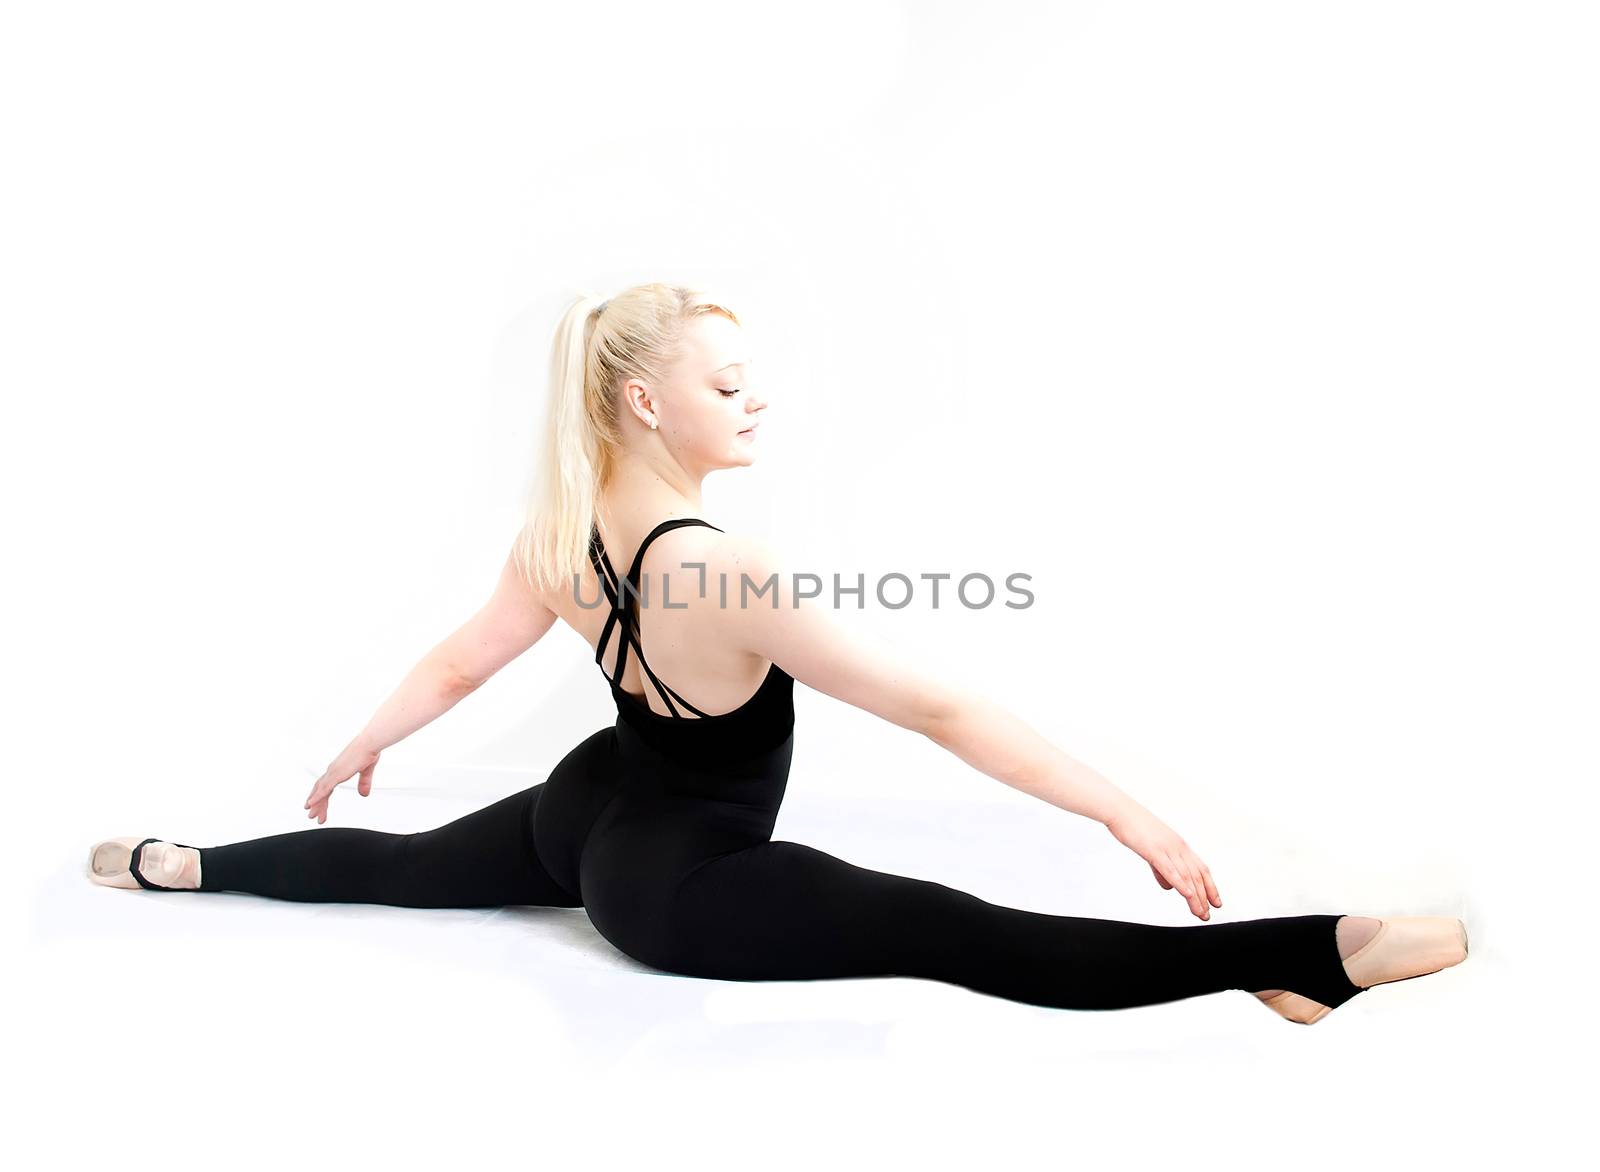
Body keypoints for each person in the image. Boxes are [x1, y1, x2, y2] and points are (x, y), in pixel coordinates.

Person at [87, 282, 1467, 1023]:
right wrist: (1132, 813)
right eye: (728, 383)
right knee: (961, 931)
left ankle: (172, 864)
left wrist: (361, 745)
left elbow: (459, 666)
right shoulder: (719, 567)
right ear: (646, 397)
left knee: (400, 872)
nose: (758, 402)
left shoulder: (556, 531)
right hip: (672, 882)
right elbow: (941, 707)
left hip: (592, 805)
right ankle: (1307, 960)